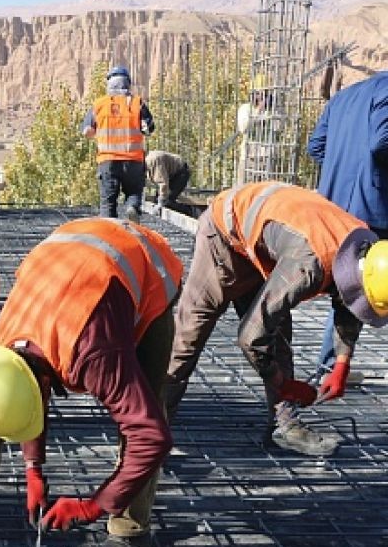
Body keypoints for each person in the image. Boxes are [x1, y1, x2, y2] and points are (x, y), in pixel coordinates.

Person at [0, 217, 182, 547]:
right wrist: (32, 468)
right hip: (66, 261)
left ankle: (129, 527)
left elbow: (153, 438)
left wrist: (93, 505)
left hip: (147, 268)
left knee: (144, 411)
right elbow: (18, 391)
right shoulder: (2, 344)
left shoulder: (95, 355)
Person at [163, 182, 388, 458]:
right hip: (224, 233)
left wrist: (342, 362)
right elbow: (250, 337)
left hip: (267, 239)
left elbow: (349, 299)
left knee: (278, 331)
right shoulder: (308, 267)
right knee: (189, 336)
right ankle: (150, 434)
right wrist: (283, 383)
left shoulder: (367, 247)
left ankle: (284, 425)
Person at [307, 71, 388, 382]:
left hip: (335, 208)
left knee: (347, 285)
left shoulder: (343, 98)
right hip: (376, 207)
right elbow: (381, 145)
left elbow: (315, 147)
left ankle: (332, 365)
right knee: (368, 286)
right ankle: (332, 365)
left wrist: (343, 172)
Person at [81, 66, 154, 220]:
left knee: (108, 202)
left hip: (108, 162)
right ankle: (132, 208)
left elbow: (87, 130)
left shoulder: (99, 104)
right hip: (133, 161)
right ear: (128, 84)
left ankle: (109, 232)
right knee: (134, 193)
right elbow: (149, 128)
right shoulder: (137, 103)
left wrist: (99, 133)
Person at [145, 150, 190, 216]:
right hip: (171, 175)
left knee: (166, 202)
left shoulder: (154, 161)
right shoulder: (145, 163)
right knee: (157, 200)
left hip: (181, 172)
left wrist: (161, 201)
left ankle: (189, 211)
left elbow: (163, 183)